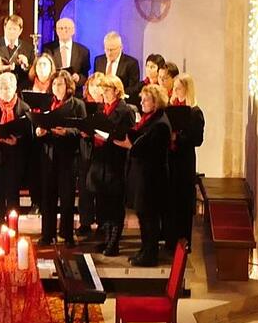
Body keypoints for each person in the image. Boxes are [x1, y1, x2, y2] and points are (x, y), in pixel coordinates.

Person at [83, 72, 136, 256]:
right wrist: (89, 134)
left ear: (117, 91)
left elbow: (126, 135)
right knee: (103, 203)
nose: (104, 93)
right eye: (102, 90)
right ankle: (106, 239)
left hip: (116, 162)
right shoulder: (101, 109)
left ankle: (114, 243)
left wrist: (108, 137)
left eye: (107, 90)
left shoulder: (125, 111)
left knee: (115, 204)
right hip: (100, 161)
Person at [120, 83, 172, 265]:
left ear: (155, 102)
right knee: (143, 216)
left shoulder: (160, 124)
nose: (141, 102)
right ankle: (145, 250)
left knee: (149, 217)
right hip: (144, 176)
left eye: (146, 99)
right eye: (141, 99)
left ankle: (150, 254)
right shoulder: (149, 119)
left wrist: (131, 147)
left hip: (152, 179)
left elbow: (151, 151)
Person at [34, 70, 86, 249]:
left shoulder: (77, 104)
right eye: (55, 84)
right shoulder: (47, 103)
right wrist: (39, 131)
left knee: (67, 197)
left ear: (68, 86)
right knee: (48, 197)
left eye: (61, 84)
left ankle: (67, 234)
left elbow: (82, 129)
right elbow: (38, 122)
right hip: (48, 154)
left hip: (67, 156)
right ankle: (47, 235)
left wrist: (67, 132)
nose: (57, 87)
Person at [164, 73, 205, 252]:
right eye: (174, 88)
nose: (175, 91)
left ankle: (184, 242)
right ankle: (170, 240)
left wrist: (178, 137)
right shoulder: (170, 109)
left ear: (187, 89)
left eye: (179, 88)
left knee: (183, 202)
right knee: (170, 201)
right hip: (171, 160)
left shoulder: (195, 112)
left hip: (184, 162)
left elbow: (197, 139)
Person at [0, 70, 34, 214]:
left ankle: (12, 224)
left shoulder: (24, 108)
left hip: (16, 157)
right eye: (2, 88)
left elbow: (29, 136)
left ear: (15, 88)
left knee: (12, 194)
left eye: (8, 87)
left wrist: (17, 141)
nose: (5, 91)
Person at [95, 31, 141, 97]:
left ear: (121, 47)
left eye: (112, 50)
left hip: (121, 100)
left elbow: (133, 89)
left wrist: (116, 95)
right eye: (107, 49)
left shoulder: (131, 63)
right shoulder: (98, 61)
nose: (109, 53)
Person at [48, 16, 91, 82]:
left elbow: (85, 75)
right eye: (61, 28)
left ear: (73, 31)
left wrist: (78, 78)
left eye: (66, 28)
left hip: (75, 86)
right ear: (56, 31)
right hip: (55, 86)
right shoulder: (48, 49)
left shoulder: (83, 51)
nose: (64, 31)